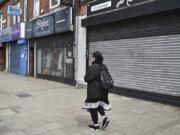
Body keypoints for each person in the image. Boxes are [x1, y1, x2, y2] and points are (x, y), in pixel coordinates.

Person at [83, 51, 112, 131]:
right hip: (103, 91)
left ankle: (95, 126)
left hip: (94, 91)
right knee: (98, 105)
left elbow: (86, 78)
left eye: (92, 57)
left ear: (95, 58)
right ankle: (104, 117)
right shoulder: (104, 66)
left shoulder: (92, 67)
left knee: (93, 107)